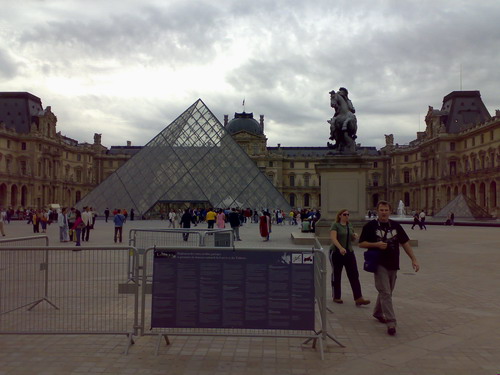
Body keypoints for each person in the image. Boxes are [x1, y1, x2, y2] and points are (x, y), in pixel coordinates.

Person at [359, 201, 420, 336]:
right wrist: (376, 245)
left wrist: (413, 259)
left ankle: (377, 312)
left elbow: (405, 243)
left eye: (386, 210)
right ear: (377, 211)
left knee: (387, 292)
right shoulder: (370, 226)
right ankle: (391, 322)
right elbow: (361, 243)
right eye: (381, 210)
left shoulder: (396, 225)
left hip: (393, 263)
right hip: (379, 263)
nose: (384, 212)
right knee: (386, 292)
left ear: (390, 211)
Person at [329, 209, 370, 306]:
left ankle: (358, 297)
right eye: (344, 214)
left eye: (348, 214)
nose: (347, 216)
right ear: (340, 215)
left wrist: (354, 236)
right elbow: (333, 238)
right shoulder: (335, 225)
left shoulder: (349, 225)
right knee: (337, 274)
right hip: (336, 252)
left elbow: (351, 238)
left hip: (349, 252)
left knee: (354, 274)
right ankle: (336, 296)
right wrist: (340, 248)